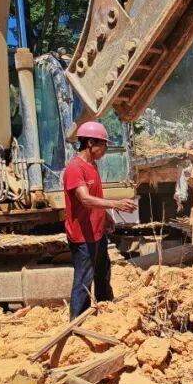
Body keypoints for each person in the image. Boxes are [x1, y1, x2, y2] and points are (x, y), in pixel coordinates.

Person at [63, 121, 137, 317]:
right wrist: (115, 204)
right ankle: (78, 320)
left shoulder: (92, 165)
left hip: (97, 232)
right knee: (83, 280)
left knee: (103, 273)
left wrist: (105, 217)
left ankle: (106, 309)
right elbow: (85, 199)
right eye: (103, 145)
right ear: (90, 143)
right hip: (82, 236)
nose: (105, 150)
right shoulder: (74, 169)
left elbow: (96, 196)